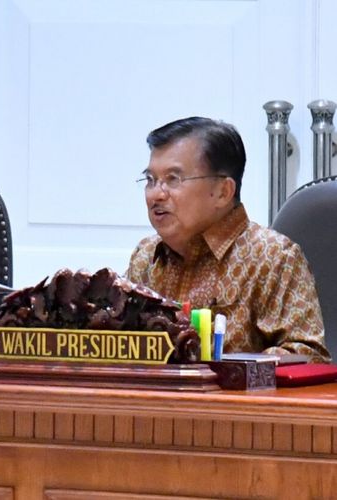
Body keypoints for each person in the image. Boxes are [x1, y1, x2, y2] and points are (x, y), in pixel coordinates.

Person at [126, 116, 330, 362]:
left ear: (223, 192)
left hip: (239, 400)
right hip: (155, 400)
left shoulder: (272, 257)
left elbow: (307, 357)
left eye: (173, 179)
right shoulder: (146, 257)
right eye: (150, 180)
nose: (156, 194)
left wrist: (229, 372)